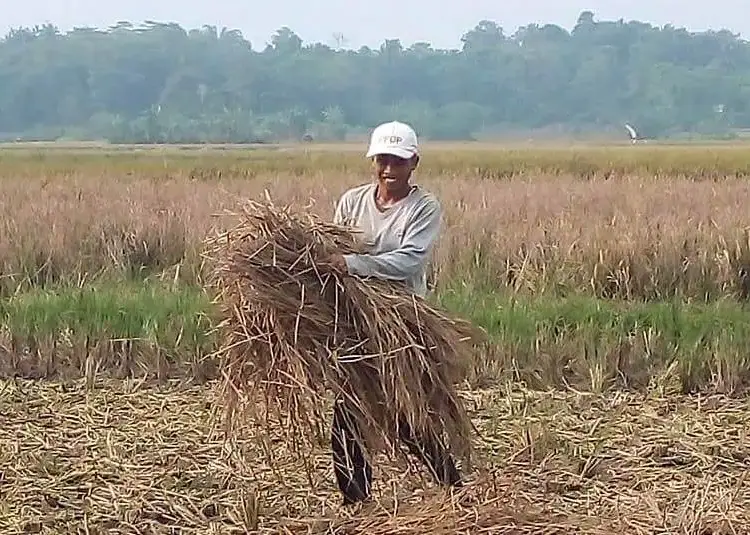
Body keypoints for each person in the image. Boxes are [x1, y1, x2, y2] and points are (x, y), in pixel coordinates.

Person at [327, 120, 463, 506]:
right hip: (356, 324)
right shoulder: (351, 202)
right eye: (383, 160)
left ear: (414, 162)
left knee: (408, 419)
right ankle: (358, 506)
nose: (389, 169)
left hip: (403, 325)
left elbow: (408, 262)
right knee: (347, 419)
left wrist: (351, 265)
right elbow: (333, 245)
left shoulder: (424, 208)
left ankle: (454, 490)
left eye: (398, 161)